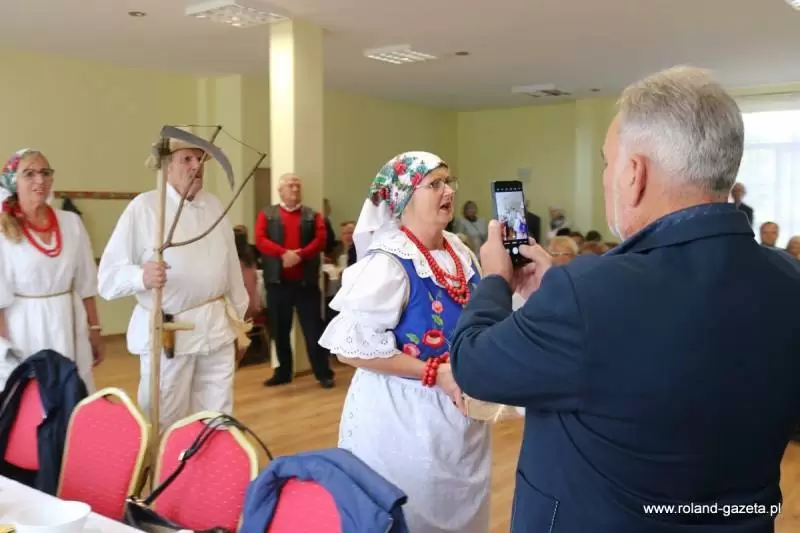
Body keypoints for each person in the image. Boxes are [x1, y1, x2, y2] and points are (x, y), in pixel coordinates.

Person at [451, 66, 800, 532]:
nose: (606, 177)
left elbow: (473, 363)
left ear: (634, 174)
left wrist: (495, 279)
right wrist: (561, 296)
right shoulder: (789, 278)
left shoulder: (589, 294)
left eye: (606, 163)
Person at [319, 152, 492, 533]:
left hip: (459, 413)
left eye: (448, 181)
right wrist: (433, 372)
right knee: (412, 512)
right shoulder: (389, 263)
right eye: (435, 184)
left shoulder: (459, 251)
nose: (448, 191)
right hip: (402, 416)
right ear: (404, 198)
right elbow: (350, 348)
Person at [97, 132, 249, 432]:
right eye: (186, 159)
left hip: (216, 329)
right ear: (167, 166)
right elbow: (108, 277)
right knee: (165, 417)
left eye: (200, 159)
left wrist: (240, 318)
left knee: (218, 415)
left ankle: (207, 462)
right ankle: (165, 462)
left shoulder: (213, 205)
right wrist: (141, 276)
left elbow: (230, 264)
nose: (196, 166)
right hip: (169, 332)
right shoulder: (145, 207)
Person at [0, 149, 103, 392]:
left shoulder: (71, 222)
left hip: (69, 321)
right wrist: (4, 348)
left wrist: (95, 328)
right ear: (14, 181)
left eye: (45, 172)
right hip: (25, 328)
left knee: (73, 392)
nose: (40, 180)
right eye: (29, 174)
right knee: (32, 396)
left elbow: (86, 281)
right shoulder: (3, 230)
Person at [254, 173, 334, 389]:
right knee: (279, 331)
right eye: (291, 185)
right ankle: (283, 373)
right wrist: (283, 253)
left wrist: (299, 255)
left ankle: (323, 373)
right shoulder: (266, 214)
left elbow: (321, 240)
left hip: (306, 284)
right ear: (280, 190)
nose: (295, 189)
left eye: (298, 186)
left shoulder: (313, 215)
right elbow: (260, 239)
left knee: (314, 330)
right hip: (277, 283)